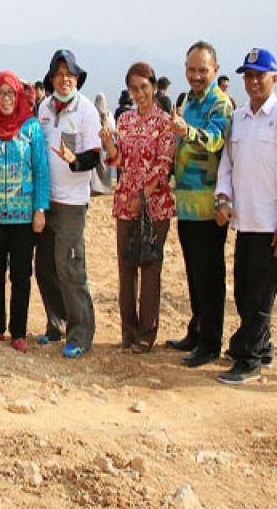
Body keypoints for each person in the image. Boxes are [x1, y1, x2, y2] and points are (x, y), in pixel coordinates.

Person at [0, 72, 49, 353]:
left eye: (10, 94)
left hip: (23, 217)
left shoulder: (32, 128)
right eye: (0, 94)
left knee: (20, 275)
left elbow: (40, 170)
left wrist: (40, 209)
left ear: (18, 96)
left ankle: (18, 331)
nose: (5, 99)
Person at [167, 42, 233, 367]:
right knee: (193, 272)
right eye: (191, 69)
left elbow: (215, 141)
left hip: (210, 208)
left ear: (215, 70)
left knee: (210, 275)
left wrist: (187, 130)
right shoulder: (185, 101)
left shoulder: (219, 105)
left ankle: (210, 343)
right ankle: (196, 330)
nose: (196, 75)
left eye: (202, 70)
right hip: (187, 206)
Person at [214, 48, 277, 385]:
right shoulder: (238, 117)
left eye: (259, 75)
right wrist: (223, 197)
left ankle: (249, 359)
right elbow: (228, 163)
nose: (253, 82)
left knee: (260, 296)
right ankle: (262, 346)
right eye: (248, 76)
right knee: (244, 290)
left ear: (274, 78)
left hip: (270, 223)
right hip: (245, 221)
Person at [104, 63, 175, 353]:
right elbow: (119, 161)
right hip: (124, 205)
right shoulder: (125, 120)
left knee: (150, 270)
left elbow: (163, 167)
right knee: (125, 269)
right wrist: (108, 144)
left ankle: (147, 334)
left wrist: (141, 197)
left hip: (154, 207)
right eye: (134, 88)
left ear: (154, 87)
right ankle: (128, 332)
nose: (140, 93)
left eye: (144, 87)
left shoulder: (165, 122)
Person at [34, 51, 101, 359]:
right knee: (44, 267)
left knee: (70, 266)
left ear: (77, 78)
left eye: (69, 74)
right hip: (46, 200)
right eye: (59, 74)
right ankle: (56, 323)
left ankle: (81, 333)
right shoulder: (44, 108)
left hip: (73, 203)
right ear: (51, 78)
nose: (64, 79)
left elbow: (94, 155)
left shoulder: (87, 110)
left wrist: (75, 160)